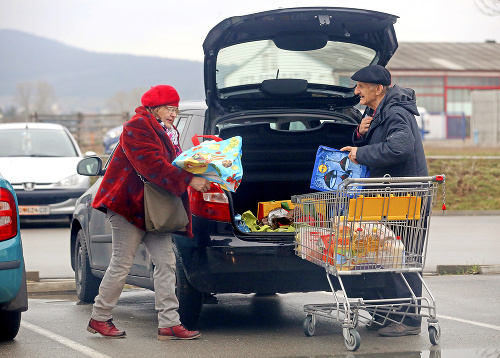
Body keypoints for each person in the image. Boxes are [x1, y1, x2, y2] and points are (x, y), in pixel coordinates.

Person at [87, 85, 211, 340]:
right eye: (169, 108)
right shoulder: (137, 127)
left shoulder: (168, 131)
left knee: (166, 263)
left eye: (176, 108)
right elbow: (152, 166)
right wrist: (189, 180)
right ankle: (99, 318)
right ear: (154, 108)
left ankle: (169, 323)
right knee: (122, 263)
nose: (174, 114)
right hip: (129, 206)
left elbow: (171, 164)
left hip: (154, 209)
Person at [340, 65, 428, 337]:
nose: (357, 91)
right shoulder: (378, 111)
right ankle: (385, 313)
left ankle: (410, 319)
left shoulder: (395, 111)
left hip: (405, 198)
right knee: (379, 255)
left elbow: (399, 148)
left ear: (378, 89)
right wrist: (361, 134)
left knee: (398, 258)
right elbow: (382, 142)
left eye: (361, 86)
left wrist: (360, 153)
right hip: (388, 197)